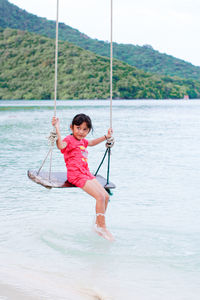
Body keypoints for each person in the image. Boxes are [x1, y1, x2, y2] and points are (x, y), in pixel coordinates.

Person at [52, 113, 114, 241]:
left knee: (106, 196)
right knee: (99, 196)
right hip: (75, 175)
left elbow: (90, 142)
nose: (81, 132)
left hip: (86, 173)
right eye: (78, 128)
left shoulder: (83, 141)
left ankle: (97, 224)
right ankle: (102, 227)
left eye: (85, 129)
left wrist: (106, 137)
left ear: (88, 130)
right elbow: (60, 146)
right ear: (72, 127)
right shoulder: (69, 140)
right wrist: (56, 128)